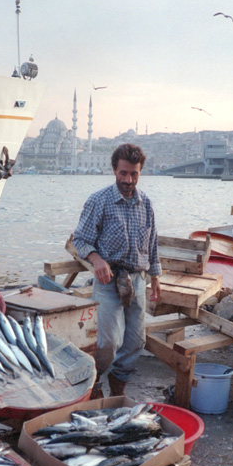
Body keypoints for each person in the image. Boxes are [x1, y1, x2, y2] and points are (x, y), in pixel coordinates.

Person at [73, 143, 162, 399]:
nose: (128, 179)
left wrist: (156, 277)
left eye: (134, 174)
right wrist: (96, 259)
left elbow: (153, 243)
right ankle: (95, 383)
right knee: (108, 343)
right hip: (108, 280)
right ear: (114, 170)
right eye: (123, 173)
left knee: (136, 342)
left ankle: (117, 391)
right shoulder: (99, 201)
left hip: (138, 280)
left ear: (140, 172)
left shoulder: (146, 204)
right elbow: (80, 240)